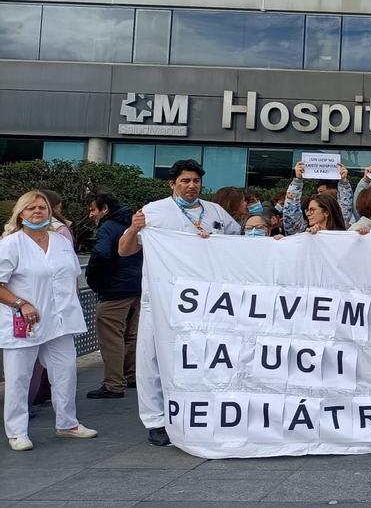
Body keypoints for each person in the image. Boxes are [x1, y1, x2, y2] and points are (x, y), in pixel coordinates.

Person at [117, 158, 242, 447]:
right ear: (172, 184)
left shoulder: (216, 212)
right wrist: (134, 229)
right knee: (152, 359)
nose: (191, 186)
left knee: (200, 357)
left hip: (204, 301)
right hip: (160, 299)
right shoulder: (153, 211)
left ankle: (197, 413)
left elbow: (240, 242)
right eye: (185, 181)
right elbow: (124, 251)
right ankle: (155, 420)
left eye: (196, 181)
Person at [1, 190, 97, 451]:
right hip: (25, 322)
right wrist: (21, 304)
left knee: (65, 373)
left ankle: (68, 423)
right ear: (21, 214)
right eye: (31, 208)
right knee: (19, 377)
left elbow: (70, 277)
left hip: (61, 320)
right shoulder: (11, 244)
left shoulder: (61, 241)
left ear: (50, 211)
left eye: (42, 207)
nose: (37, 212)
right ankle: (17, 432)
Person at [83, 192, 142, 400]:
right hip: (137, 286)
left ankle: (113, 384)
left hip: (114, 289)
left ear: (104, 209)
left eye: (92, 209)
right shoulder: (132, 225)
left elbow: (101, 254)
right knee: (130, 335)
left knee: (111, 337)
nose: (91, 215)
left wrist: (93, 279)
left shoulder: (108, 227)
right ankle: (131, 375)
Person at [282, 161, 353, 235]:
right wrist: (297, 180)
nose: (308, 214)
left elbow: (345, 208)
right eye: (308, 210)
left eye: (312, 210)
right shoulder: (302, 231)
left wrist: (344, 182)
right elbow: (290, 214)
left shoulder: (340, 232)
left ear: (326, 212)